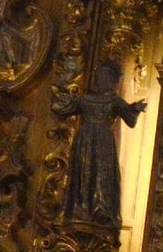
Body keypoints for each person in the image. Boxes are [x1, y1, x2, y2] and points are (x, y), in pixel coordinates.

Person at [59, 61, 145, 226]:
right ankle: (80, 207)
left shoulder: (114, 101)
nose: (100, 80)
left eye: (104, 77)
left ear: (111, 80)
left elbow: (130, 119)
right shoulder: (86, 99)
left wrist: (136, 108)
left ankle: (101, 209)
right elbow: (66, 108)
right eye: (99, 76)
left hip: (103, 141)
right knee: (83, 171)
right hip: (85, 139)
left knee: (102, 173)